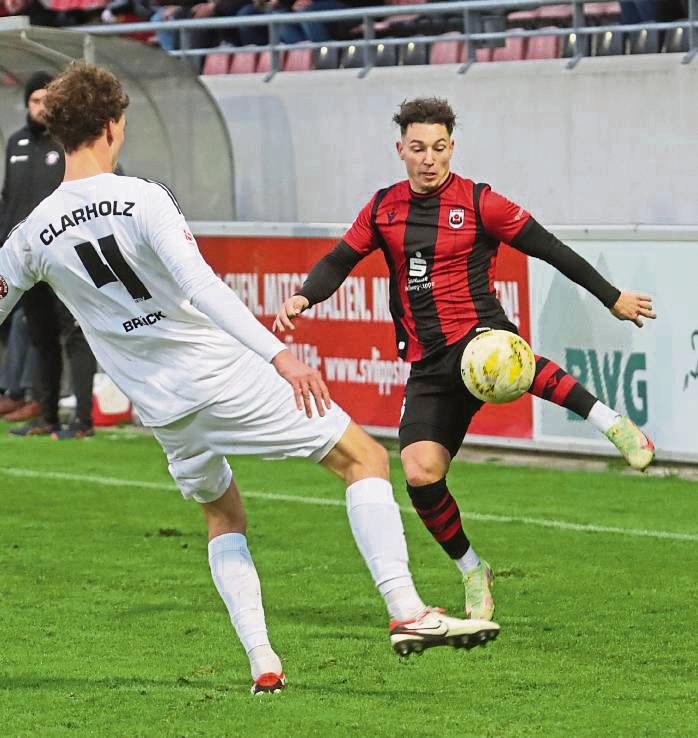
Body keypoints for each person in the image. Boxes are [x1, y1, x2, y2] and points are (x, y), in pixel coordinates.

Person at [0, 65, 499, 696]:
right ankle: (406, 608)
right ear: (111, 126)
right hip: (220, 375)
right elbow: (202, 286)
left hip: (162, 409)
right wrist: (279, 357)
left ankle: (263, 660)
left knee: (222, 513)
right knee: (365, 460)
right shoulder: (143, 197)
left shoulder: (31, 235)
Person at [273, 96, 657, 623]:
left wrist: (611, 296)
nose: (429, 158)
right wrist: (303, 296)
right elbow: (341, 259)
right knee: (419, 473)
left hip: (481, 335)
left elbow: (549, 248)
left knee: (506, 358)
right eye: (417, 149)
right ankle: (473, 570)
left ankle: (614, 425)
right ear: (400, 150)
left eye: (438, 148)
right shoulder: (383, 208)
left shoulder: (480, 203)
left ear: (452, 147)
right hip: (428, 364)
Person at [0, 71, 97, 438]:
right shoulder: (16, 143)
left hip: (67, 258)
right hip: (27, 260)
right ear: (26, 104)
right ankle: (47, 416)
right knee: (41, 338)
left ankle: (84, 420)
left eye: (46, 101)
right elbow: (8, 199)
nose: (40, 108)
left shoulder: (70, 144)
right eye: (35, 101)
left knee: (76, 334)